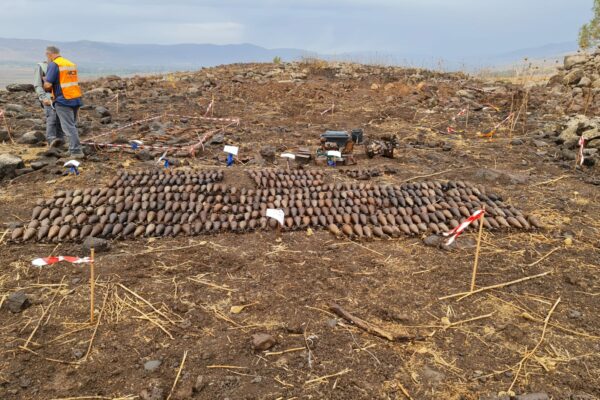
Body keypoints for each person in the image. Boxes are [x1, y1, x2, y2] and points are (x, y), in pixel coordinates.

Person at [42, 46, 85, 158]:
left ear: (49, 54)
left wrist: (45, 83)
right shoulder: (70, 64)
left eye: (47, 56)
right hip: (75, 98)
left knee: (68, 127)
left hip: (63, 100)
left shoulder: (54, 64)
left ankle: (76, 151)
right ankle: (72, 149)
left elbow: (48, 84)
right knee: (72, 125)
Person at [33, 60, 65, 148]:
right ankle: (51, 141)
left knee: (60, 120)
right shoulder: (42, 66)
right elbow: (38, 84)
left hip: (60, 98)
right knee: (52, 119)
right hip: (49, 98)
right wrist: (43, 98)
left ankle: (60, 142)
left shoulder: (61, 65)